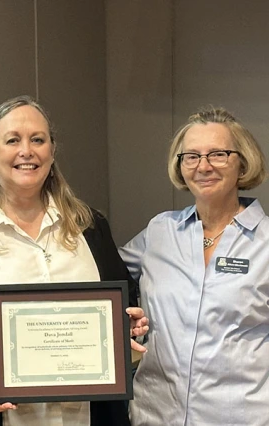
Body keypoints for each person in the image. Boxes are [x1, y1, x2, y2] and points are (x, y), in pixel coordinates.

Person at [0, 95, 149, 426]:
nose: (27, 151)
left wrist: (127, 327)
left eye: (38, 140)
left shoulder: (89, 228)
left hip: (87, 417)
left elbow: (122, 308)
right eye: (12, 140)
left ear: (52, 152)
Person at [120, 107, 269, 426]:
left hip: (241, 417)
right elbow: (99, 281)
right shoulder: (159, 232)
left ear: (242, 162)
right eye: (191, 156)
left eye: (218, 154)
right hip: (155, 415)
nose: (204, 166)